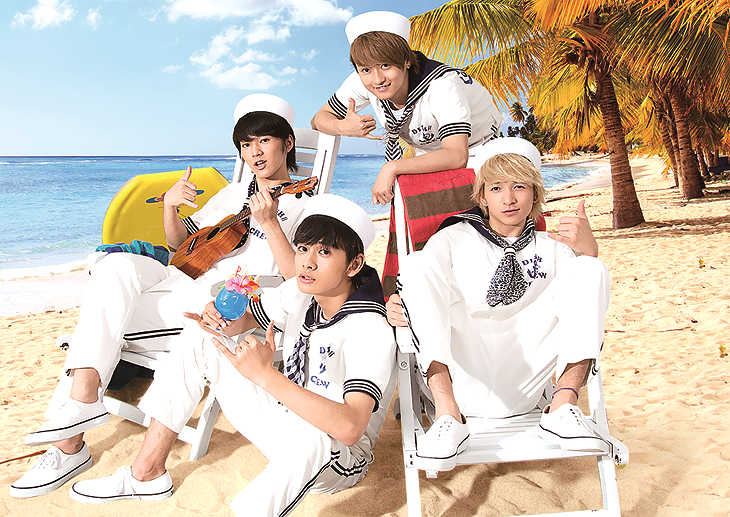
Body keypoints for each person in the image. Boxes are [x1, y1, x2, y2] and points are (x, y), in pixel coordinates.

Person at [10, 94, 312, 498]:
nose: (254, 152)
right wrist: (169, 206)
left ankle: (68, 447)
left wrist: (270, 224)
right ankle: (82, 403)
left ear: (287, 144)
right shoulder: (233, 193)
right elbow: (183, 247)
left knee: (97, 325)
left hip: (217, 300)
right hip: (179, 278)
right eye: (245, 144)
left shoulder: (308, 205)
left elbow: (297, 278)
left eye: (264, 141)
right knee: (114, 267)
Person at [66, 194, 397, 516]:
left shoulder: (369, 328)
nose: (307, 262)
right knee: (203, 336)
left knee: (313, 439)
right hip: (286, 422)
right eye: (302, 248)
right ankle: (147, 473)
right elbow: (247, 319)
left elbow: (350, 427)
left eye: (324, 252)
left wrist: (266, 376)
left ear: (354, 264)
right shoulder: (300, 292)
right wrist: (217, 317)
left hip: (337, 457)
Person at [387, 137, 612, 471]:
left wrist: (589, 252)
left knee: (591, 269)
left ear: (535, 193)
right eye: (496, 188)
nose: (508, 199)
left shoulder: (553, 247)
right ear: (482, 197)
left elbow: (583, 300)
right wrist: (401, 301)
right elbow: (423, 284)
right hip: (462, 370)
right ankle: (448, 416)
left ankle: (564, 405)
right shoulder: (451, 238)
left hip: (526, 378)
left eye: (519, 186)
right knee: (418, 264)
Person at [311, 10, 503, 205]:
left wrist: (392, 167)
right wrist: (343, 127)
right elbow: (318, 119)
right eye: (366, 69)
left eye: (385, 65)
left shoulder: (441, 87)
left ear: (406, 60)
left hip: (481, 150)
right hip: (430, 153)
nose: (377, 79)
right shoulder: (362, 81)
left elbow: (457, 156)